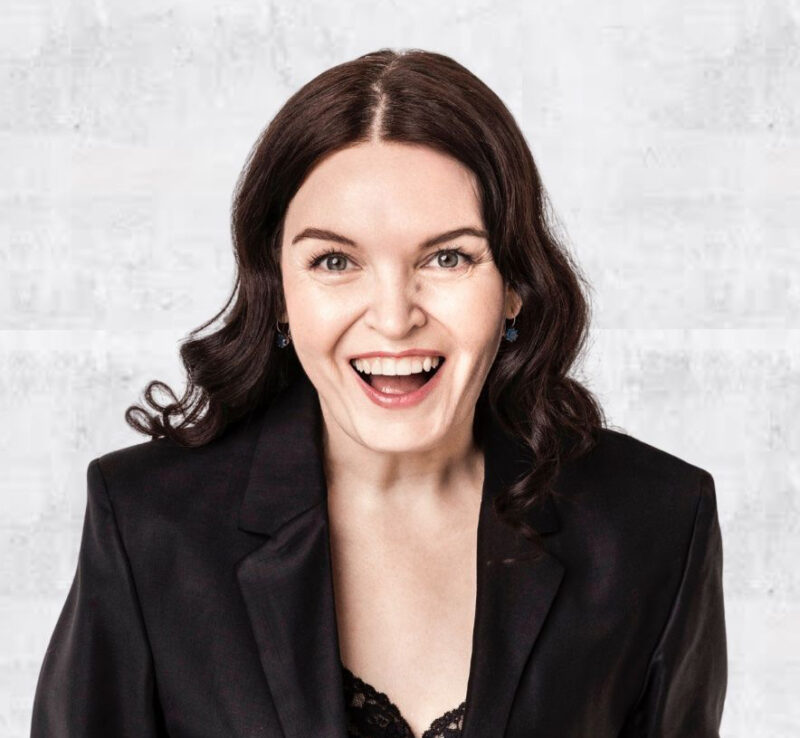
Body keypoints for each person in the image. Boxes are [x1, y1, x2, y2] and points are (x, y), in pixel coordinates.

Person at [30, 48, 727, 738]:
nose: (393, 317)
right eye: (335, 261)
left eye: (447, 257)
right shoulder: (150, 524)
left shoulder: (656, 523)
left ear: (515, 285)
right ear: (277, 292)